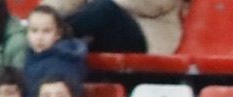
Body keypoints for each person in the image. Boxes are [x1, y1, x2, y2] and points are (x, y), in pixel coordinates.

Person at [45, 0, 180, 56]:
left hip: (144, 37)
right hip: (96, 30)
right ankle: (49, 35)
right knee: (46, 20)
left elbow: (153, 5)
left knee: (105, 8)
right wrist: (45, 13)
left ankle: (52, 37)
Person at [22, 5, 85, 97]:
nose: (39, 37)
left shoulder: (64, 64)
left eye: (46, 31)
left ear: (58, 33)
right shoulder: (29, 58)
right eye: (34, 30)